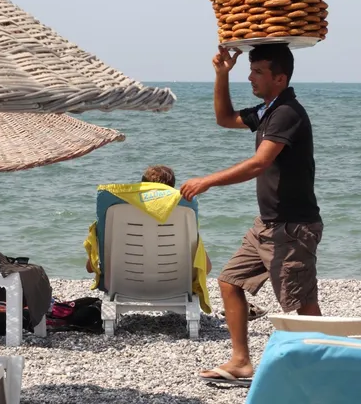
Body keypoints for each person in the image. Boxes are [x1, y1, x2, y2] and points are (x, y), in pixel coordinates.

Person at [180, 44, 322, 386]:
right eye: (251, 69)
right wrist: (221, 74)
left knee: (302, 303)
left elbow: (260, 162)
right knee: (230, 281)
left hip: (292, 226)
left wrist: (208, 181)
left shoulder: (287, 112)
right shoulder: (268, 109)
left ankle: (324, 367)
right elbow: (224, 118)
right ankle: (241, 362)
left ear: (280, 77)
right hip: (269, 224)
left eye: (258, 71)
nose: (251, 77)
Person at [86, 165, 212, 275]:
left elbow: (90, 267)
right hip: (176, 282)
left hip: (122, 283)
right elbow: (207, 268)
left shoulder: (119, 212)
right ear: (171, 190)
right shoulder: (184, 213)